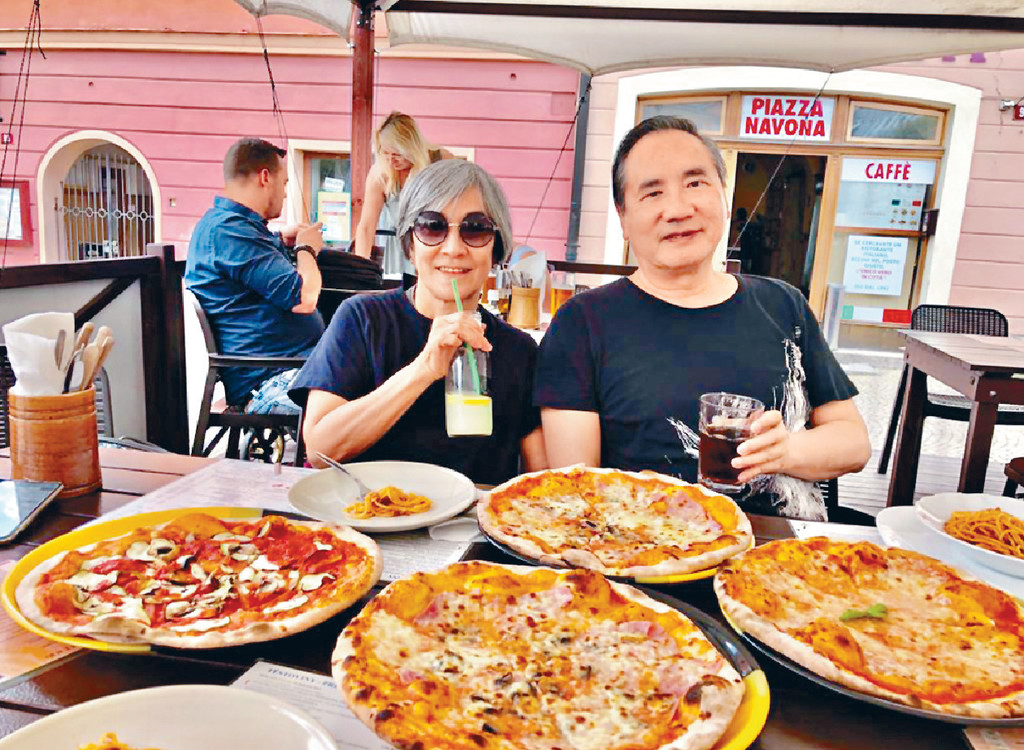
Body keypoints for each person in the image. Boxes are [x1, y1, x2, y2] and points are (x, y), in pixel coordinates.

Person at [534, 116, 870, 520]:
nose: (678, 209)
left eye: (695, 183)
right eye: (652, 192)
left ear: (723, 198)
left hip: (784, 556)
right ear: (623, 218)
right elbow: (579, 489)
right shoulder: (583, 322)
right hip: (651, 559)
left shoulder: (784, 304)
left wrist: (786, 451)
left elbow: (854, 443)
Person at [291, 160, 546, 485]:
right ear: (410, 244)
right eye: (432, 227)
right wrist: (424, 369)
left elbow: (543, 480)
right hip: (368, 526)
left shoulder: (519, 351)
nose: (453, 249)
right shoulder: (362, 319)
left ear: (496, 249)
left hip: (477, 530)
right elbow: (320, 450)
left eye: (476, 229)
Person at [186, 137, 325, 415]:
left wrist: (278, 241)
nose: (285, 194)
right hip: (272, 381)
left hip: (292, 367)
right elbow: (304, 298)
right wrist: (307, 248)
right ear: (265, 177)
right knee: (380, 404)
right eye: (284, 183)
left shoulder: (232, 228)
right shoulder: (230, 232)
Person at [352, 112, 454, 280]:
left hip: (436, 245)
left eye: (397, 154)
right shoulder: (380, 173)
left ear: (411, 146)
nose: (391, 160)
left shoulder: (441, 160)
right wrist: (360, 272)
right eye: (386, 153)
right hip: (400, 252)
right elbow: (366, 226)